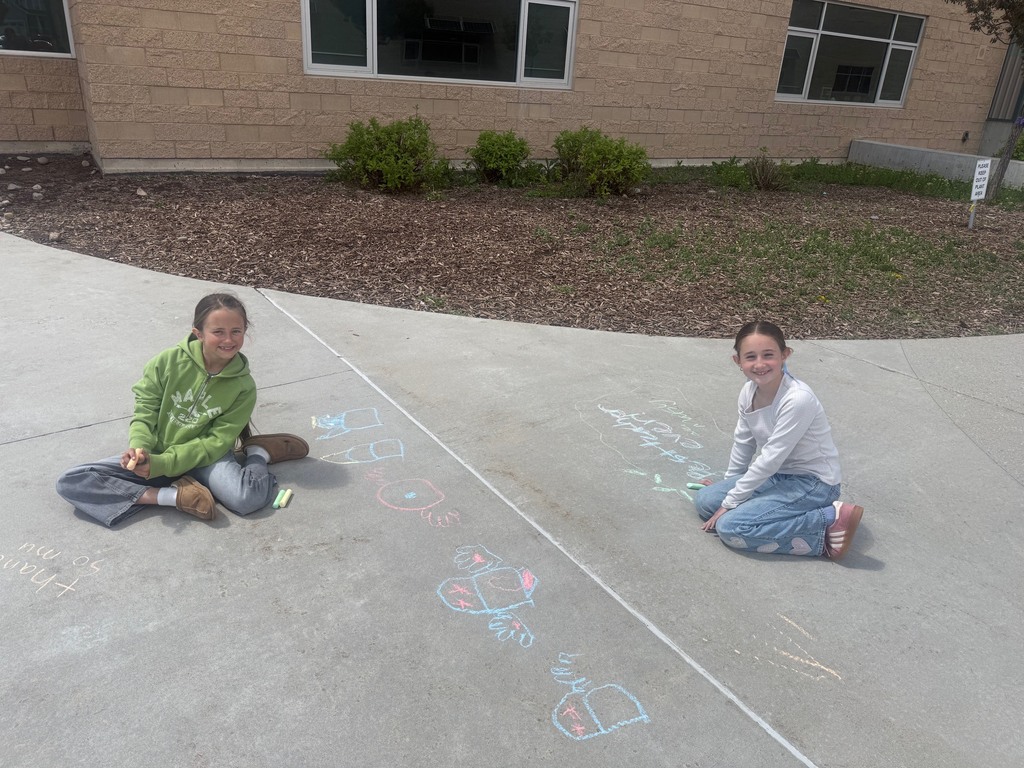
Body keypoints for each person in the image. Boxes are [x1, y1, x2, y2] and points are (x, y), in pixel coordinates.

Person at [56, 293, 308, 526]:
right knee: (72, 481)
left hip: (206, 458)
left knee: (247, 499)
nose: (229, 340)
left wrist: (165, 464)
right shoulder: (166, 362)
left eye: (236, 331)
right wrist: (140, 449)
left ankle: (257, 454)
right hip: (157, 451)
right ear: (198, 333)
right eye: (218, 331)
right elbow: (145, 409)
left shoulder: (243, 386)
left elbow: (215, 442)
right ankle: (174, 496)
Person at [694, 321, 863, 559]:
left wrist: (732, 501)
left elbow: (771, 458)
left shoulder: (797, 399)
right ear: (738, 362)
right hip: (779, 476)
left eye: (769, 355)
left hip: (814, 484)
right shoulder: (748, 391)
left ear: (785, 355)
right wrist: (731, 484)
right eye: (750, 357)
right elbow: (744, 442)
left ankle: (826, 521)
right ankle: (764, 511)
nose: (760, 364)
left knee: (731, 528)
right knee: (705, 501)